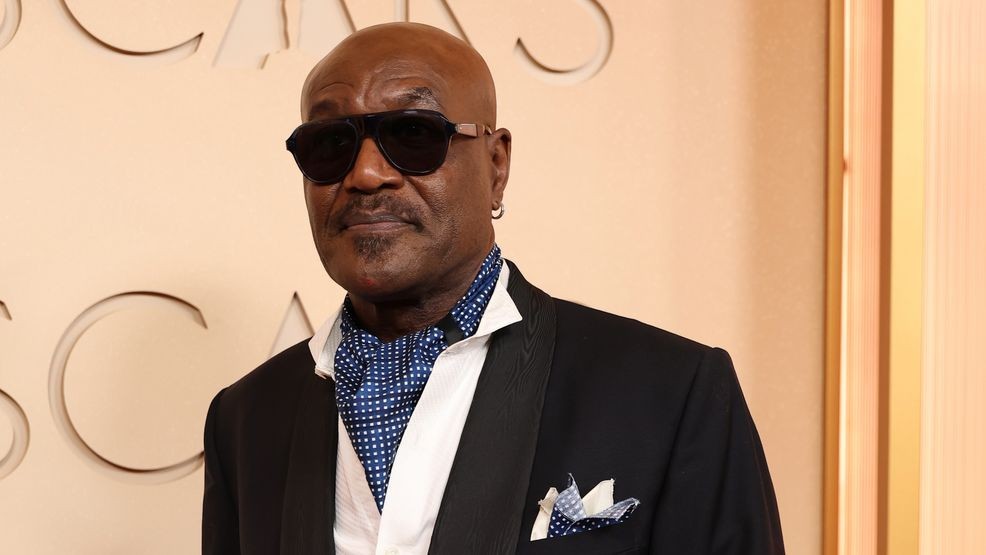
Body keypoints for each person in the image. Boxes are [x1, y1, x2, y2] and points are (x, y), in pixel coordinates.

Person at [202, 22, 785, 555]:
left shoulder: (671, 393)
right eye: (331, 144)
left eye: (413, 134)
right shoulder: (247, 419)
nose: (366, 173)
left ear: (497, 166)